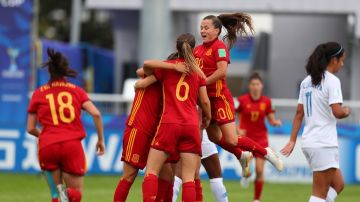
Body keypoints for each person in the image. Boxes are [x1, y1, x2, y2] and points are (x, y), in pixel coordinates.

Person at [194, 13, 283, 174]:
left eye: (206, 28)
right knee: (214, 137)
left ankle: (266, 152)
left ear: (217, 30)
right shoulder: (197, 50)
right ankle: (241, 155)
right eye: (201, 28)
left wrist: (201, 83)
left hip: (220, 99)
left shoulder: (219, 47)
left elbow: (221, 72)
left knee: (231, 139)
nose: (202, 31)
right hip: (205, 101)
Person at [137, 33, 211, 202]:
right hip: (191, 126)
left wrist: (139, 84)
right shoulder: (198, 73)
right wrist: (207, 118)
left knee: (152, 172)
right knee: (189, 178)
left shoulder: (167, 68)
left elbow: (145, 67)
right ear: (193, 50)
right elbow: (205, 102)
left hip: (169, 124)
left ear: (176, 48)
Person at [27, 48, 105, 202]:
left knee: (57, 194)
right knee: (75, 194)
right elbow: (96, 114)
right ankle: (70, 196)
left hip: (48, 146)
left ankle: (61, 197)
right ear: (65, 70)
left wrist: (44, 136)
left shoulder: (39, 93)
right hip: (71, 145)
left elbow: (30, 128)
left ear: (49, 70)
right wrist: (100, 140)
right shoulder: (76, 91)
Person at [281, 42, 350, 202]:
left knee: (338, 184)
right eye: (342, 60)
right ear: (333, 60)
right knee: (318, 194)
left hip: (312, 142)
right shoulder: (332, 80)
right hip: (323, 143)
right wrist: (346, 111)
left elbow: (299, 113)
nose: (342, 64)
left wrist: (292, 140)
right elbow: (337, 112)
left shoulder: (307, 81)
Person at [113, 61, 188, 202]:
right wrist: (171, 67)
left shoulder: (171, 86)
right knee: (130, 175)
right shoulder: (155, 75)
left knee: (167, 175)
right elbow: (142, 69)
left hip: (157, 133)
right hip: (138, 129)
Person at [236, 72, 282, 202]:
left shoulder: (267, 102)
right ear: (249, 86)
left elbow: (271, 119)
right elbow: (233, 115)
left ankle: (256, 199)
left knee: (259, 170)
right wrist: (238, 128)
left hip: (261, 139)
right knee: (247, 168)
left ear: (261, 86)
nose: (255, 86)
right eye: (253, 84)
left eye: (257, 84)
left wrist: (275, 122)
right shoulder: (241, 100)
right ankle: (245, 175)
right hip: (246, 139)